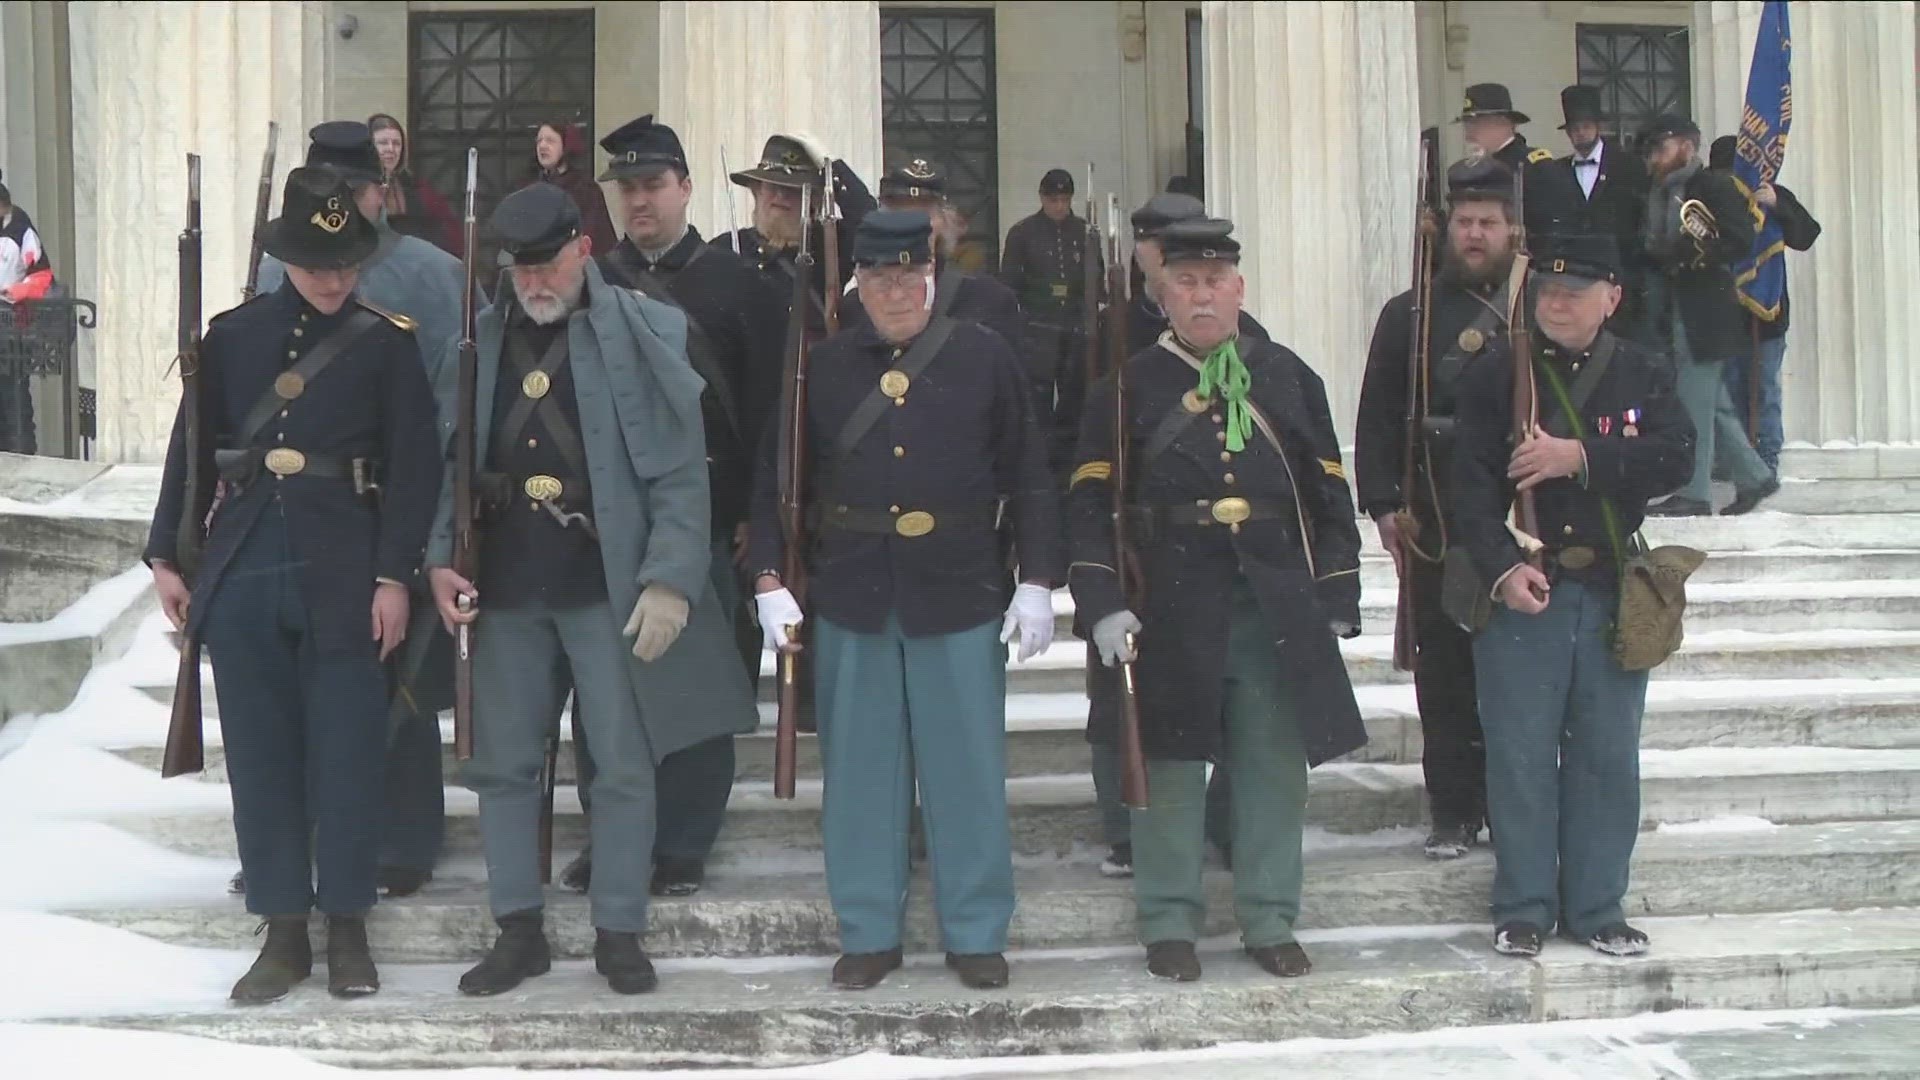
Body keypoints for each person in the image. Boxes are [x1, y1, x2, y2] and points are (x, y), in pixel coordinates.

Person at [427, 182, 758, 997]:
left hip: (608, 586)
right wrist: (440, 557)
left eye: (545, 265)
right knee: (502, 766)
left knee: (621, 764)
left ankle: (619, 928)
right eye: (520, 270)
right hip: (506, 585)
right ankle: (517, 929)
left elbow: (683, 474)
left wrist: (672, 581)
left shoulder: (649, 330)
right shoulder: (475, 341)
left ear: (582, 248)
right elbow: (448, 463)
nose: (533, 284)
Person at [144, 165, 442, 1003]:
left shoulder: (388, 343)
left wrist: (394, 577)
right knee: (261, 757)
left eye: (347, 263)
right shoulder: (232, 336)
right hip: (244, 564)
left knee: (347, 753)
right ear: (289, 258)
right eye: (320, 263)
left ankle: (346, 925)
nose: (336, 278)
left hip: (346, 567)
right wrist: (169, 554)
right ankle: (282, 930)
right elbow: (192, 451)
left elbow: (416, 470)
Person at [747, 210, 1064, 992]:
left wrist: (1036, 578)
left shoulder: (984, 357)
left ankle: (978, 929)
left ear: (932, 274)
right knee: (860, 774)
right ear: (859, 282)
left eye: (909, 275)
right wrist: (765, 577)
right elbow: (776, 480)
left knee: (966, 769)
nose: (896, 291)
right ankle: (867, 929)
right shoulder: (820, 370)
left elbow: (1029, 470)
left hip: (958, 583)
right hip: (853, 585)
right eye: (880, 277)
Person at [1067, 217, 1367, 984]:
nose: (1201, 296)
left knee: (1272, 767)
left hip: (1270, 599)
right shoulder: (1125, 385)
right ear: (1161, 293)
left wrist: (1335, 588)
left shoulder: (1288, 375)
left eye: (1215, 282)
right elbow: (1089, 505)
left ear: (1239, 288)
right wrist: (1100, 599)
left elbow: (1329, 491)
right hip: (1167, 598)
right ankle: (1168, 921)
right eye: (1185, 283)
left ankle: (1270, 918)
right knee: (1167, 768)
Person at [245, 119, 476, 901]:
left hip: (406, 500)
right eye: (330, 190)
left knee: (401, 684)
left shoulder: (439, 277)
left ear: (383, 191)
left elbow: (460, 407)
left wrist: (439, 521)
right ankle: (295, 841)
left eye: (356, 190)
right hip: (312, 515)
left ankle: (407, 838)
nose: (344, 206)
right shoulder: (284, 276)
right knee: (308, 691)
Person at [1450, 233, 1694, 958]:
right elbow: (1464, 488)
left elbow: (1676, 456)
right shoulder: (1497, 373)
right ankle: (1523, 906)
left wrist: (1579, 456)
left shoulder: (1643, 371)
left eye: (1575, 291)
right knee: (1521, 755)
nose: (1557, 302)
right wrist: (1500, 568)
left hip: (1613, 585)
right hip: (1528, 585)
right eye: (1548, 290)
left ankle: (1597, 907)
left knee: (1606, 756)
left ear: (1612, 298)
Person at [562, 114, 787, 899]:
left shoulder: (742, 286)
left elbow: (767, 416)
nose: (640, 201)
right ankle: (613, 830)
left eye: (653, 185)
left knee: (700, 685)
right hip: (614, 520)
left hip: (715, 519)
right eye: (626, 188)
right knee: (605, 687)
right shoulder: (592, 284)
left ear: (685, 186)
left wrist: (760, 520)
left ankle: (686, 839)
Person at [1061, 191, 1269, 879]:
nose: (1192, 287)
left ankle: (1233, 830)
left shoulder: (1258, 352)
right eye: (1165, 254)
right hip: (1146, 560)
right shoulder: (1107, 327)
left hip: (1230, 569)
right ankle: (1131, 830)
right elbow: (1079, 447)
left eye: (1211, 276)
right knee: (1127, 709)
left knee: (1248, 725)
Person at [1355, 156, 1520, 860]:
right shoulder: (1410, 314)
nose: (1475, 235)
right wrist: (1387, 505)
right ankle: (1452, 806)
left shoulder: (1534, 304)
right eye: (1464, 222)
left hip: (1520, 519)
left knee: (1515, 677)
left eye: (1488, 222)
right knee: (1445, 672)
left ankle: (1511, 804)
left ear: (1511, 229)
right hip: (1439, 518)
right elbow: (1377, 416)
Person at [1638, 114, 1771, 517]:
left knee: (1693, 403)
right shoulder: (1661, 191)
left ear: (1687, 146)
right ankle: (1755, 477)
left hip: (1706, 307)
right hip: (1679, 303)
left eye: (1660, 149)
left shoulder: (1712, 184)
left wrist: (1699, 253)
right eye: (1650, 153)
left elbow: (1742, 237)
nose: (1653, 160)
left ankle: (1695, 492)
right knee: (1714, 405)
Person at [843, 160, 1031, 409]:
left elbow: (1013, 405)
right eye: (900, 212)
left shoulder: (991, 301)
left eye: (925, 213)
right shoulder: (856, 305)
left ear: (945, 221)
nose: (914, 225)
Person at [1708, 135, 1822, 478]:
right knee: (1727, 390)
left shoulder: (1771, 196)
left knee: (1764, 389)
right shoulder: (1708, 199)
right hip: (1723, 314)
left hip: (1766, 315)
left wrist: (1778, 206)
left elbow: (1806, 234)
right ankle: (1734, 459)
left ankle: (1767, 458)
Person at [1524, 86, 1649, 340]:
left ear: (1598, 126)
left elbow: (1641, 216)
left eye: (1586, 126)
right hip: (1578, 277)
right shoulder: (1556, 171)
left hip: (1622, 272)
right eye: (1574, 128)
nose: (1580, 133)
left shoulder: (1628, 165)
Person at [717, 133, 876, 331]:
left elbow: (872, 225)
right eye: (773, 186)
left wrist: (832, 170)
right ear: (756, 190)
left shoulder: (830, 247)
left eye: (793, 189)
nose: (781, 195)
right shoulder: (724, 248)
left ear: (814, 200)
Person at [1000, 168, 1101, 397]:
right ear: (1042, 197)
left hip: (1075, 326)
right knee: (1037, 396)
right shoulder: (1023, 232)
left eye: (1064, 200)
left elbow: (1096, 279)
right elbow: (1009, 281)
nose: (1059, 206)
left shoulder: (1084, 232)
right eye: (1053, 200)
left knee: (1074, 395)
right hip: (1037, 326)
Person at [0, 179, 54, 454]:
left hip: (12, 331)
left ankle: (19, 456)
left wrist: (18, 291)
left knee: (14, 400)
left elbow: (42, 276)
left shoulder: (21, 230)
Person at [367, 113, 463, 257]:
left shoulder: (417, 188)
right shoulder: (358, 188)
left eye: (396, 143)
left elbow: (447, 232)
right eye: (383, 143)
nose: (391, 149)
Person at [528, 119, 618, 256]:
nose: (542, 146)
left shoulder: (585, 189)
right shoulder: (530, 189)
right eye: (539, 141)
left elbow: (596, 238)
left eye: (550, 141)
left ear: (566, 145)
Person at [1455, 83, 1554, 175]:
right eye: (1466, 124)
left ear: (1502, 122)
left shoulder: (1533, 166)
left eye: (1475, 123)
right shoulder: (1470, 170)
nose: (1468, 134)